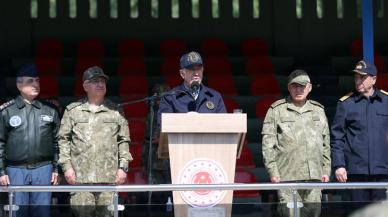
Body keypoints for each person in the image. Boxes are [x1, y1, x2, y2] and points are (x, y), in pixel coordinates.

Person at [58, 66, 133, 217]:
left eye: (103, 81)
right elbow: (63, 139)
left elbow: (124, 141)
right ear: (85, 86)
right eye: (95, 81)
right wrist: (67, 167)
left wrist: (123, 167)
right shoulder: (73, 110)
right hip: (80, 178)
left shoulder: (115, 111)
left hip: (108, 178)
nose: (100, 84)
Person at [261, 70, 331, 217]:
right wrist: (273, 172)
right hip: (287, 177)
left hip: (314, 176)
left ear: (309, 87)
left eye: (302, 86)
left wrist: (326, 170)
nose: (299, 90)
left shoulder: (318, 110)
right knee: (290, 214)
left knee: (313, 213)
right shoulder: (277, 110)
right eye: (295, 86)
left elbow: (325, 143)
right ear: (289, 88)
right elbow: (268, 145)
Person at [0, 64, 60, 217]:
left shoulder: (50, 110)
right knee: (17, 213)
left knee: (42, 213)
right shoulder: (7, 111)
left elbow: (58, 142)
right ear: (19, 85)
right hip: (15, 170)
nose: (35, 84)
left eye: (37, 80)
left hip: (44, 169)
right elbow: (0, 143)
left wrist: (55, 168)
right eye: (30, 81)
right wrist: (1, 171)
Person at [331, 60, 388, 202]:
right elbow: (337, 137)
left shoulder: (386, 101)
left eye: (362, 77)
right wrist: (339, 165)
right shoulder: (346, 103)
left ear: (374, 79)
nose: (358, 81)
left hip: (383, 172)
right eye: (356, 77)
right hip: (356, 171)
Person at [157, 51, 227, 125]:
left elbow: (224, 125)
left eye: (199, 69)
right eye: (192, 69)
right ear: (182, 74)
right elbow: (164, 125)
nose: (196, 73)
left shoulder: (215, 97)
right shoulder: (170, 97)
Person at [141, 83, 171, 203]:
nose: (160, 101)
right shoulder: (152, 115)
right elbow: (146, 140)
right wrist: (143, 163)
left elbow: (181, 139)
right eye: (158, 99)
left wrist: (163, 141)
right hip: (153, 161)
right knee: (156, 195)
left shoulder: (175, 115)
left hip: (169, 162)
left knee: (171, 192)